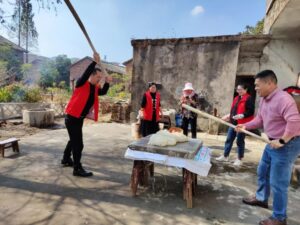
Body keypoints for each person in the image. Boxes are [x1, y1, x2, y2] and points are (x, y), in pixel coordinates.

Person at [236, 70, 300, 225]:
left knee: (278, 182)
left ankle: (279, 217)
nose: (255, 88)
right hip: (272, 142)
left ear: (270, 83)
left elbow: (295, 122)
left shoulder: (284, 99)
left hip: (287, 144)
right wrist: (245, 125)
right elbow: (260, 120)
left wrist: (283, 141)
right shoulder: (265, 99)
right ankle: (261, 198)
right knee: (263, 171)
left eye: (258, 85)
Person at [61, 52, 112, 177]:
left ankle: (66, 159)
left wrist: (108, 82)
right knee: (78, 144)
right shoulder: (81, 83)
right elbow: (85, 74)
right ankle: (77, 168)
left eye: (100, 78)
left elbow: (104, 92)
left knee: (73, 140)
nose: (99, 80)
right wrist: (94, 62)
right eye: (98, 77)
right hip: (72, 118)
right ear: (91, 75)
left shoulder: (94, 88)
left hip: (79, 119)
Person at [216, 84, 254, 166]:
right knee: (229, 139)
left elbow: (251, 111)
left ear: (246, 89)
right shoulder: (236, 98)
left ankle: (239, 159)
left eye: (240, 89)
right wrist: (228, 116)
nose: (239, 91)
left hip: (242, 123)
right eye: (237, 89)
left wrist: (242, 115)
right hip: (233, 122)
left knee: (239, 141)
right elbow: (233, 110)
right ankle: (225, 156)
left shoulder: (248, 98)